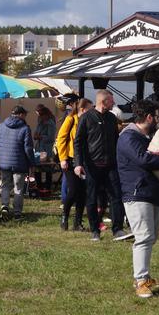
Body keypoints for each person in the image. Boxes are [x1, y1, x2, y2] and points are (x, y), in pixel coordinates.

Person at [118, 100, 159, 298]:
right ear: (148, 117)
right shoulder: (128, 137)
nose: (157, 120)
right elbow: (143, 159)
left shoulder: (147, 137)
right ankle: (141, 281)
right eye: (155, 116)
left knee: (151, 237)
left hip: (154, 193)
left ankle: (144, 276)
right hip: (137, 194)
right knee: (144, 236)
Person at [74, 89, 132, 242]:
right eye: (111, 100)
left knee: (116, 196)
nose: (114, 103)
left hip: (111, 165)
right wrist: (78, 164)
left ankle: (118, 229)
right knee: (92, 199)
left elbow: (116, 140)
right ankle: (95, 230)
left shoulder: (112, 118)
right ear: (104, 101)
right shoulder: (86, 118)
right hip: (92, 166)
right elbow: (78, 142)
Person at [56, 98, 93, 231]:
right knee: (72, 190)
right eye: (90, 108)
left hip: (84, 160)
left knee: (82, 193)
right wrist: (63, 158)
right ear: (83, 109)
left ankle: (77, 222)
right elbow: (61, 138)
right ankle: (64, 217)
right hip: (70, 160)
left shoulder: (88, 121)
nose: (92, 110)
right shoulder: (71, 119)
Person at [0, 105, 36, 221]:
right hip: (19, 163)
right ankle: (17, 212)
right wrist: (32, 163)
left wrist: (0, 157)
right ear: (21, 115)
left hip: (4, 162)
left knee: (5, 186)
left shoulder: (2, 126)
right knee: (18, 188)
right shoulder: (25, 128)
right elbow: (28, 148)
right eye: (25, 114)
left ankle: (4, 206)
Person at [33, 104, 56, 191]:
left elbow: (51, 138)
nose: (39, 117)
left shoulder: (50, 123)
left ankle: (47, 186)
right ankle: (39, 186)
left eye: (40, 115)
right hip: (39, 148)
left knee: (47, 169)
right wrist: (35, 136)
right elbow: (36, 133)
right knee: (37, 168)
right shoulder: (40, 122)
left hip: (47, 149)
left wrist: (40, 137)